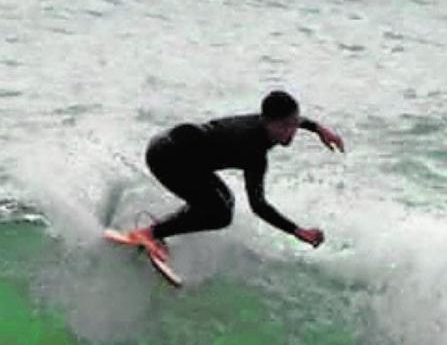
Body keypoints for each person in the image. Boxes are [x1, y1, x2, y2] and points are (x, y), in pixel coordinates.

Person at [121, 90, 345, 265]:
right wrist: (297, 231)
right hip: (168, 157)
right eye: (287, 127)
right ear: (271, 123)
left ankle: (157, 231)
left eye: (294, 124)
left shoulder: (263, 123)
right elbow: (258, 206)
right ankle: (150, 233)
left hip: (177, 151)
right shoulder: (253, 150)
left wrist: (318, 129)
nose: (293, 132)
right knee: (219, 214)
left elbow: (296, 119)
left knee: (224, 202)